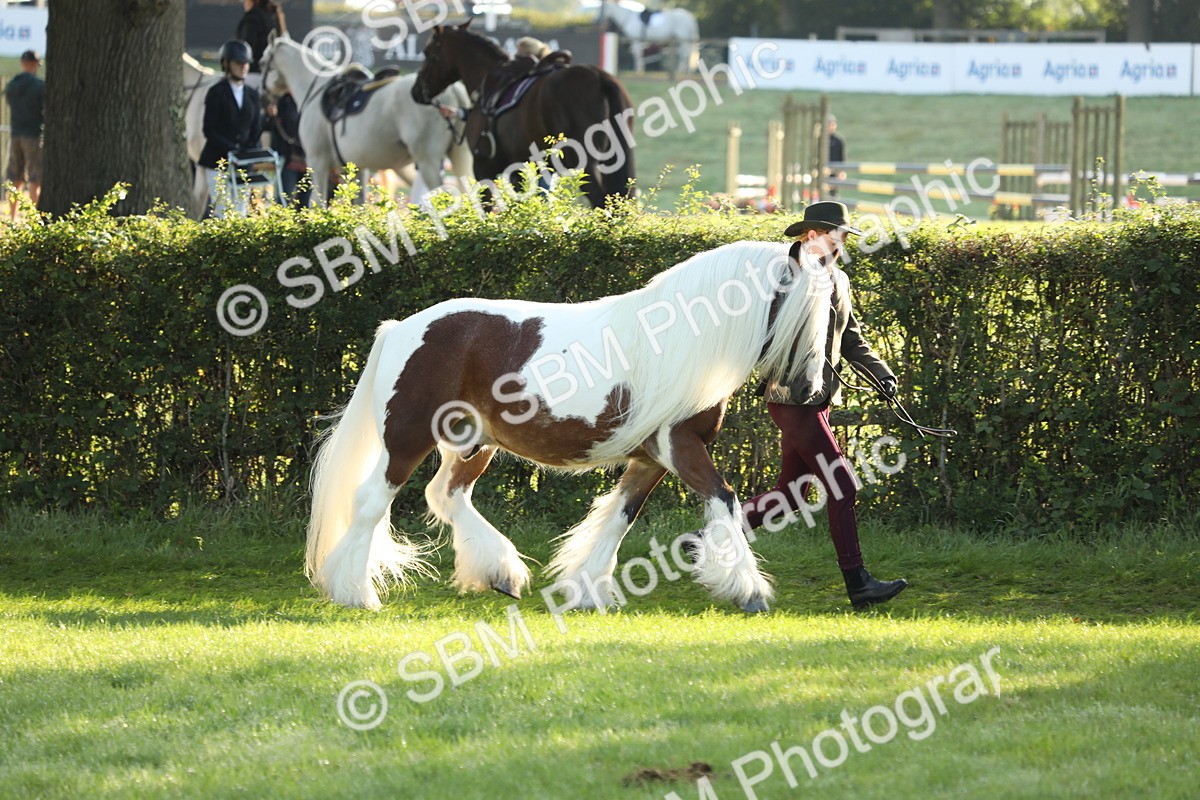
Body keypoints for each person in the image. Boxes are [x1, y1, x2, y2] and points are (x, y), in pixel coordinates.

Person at [742, 202, 908, 608]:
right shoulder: (782, 276)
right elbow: (757, 336)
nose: (842, 241)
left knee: (792, 493)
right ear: (810, 235)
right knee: (842, 484)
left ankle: (709, 537)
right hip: (791, 398)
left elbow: (851, 338)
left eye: (844, 235)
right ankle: (858, 583)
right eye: (836, 234)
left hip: (822, 400)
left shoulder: (840, 279)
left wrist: (881, 373)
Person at [199, 40, 263, 218]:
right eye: (238, 63)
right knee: (222, 211)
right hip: (217, 161)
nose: (243, 67)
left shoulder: (252, 94)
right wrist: (231, 151)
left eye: (246, 63)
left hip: (243, 164)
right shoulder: (216, 92)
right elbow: (209, 130)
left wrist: (249, 152)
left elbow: (256, 128)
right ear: (226, 64)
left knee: (241, 211)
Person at [5, 50, 45, 219]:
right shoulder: (39, 86)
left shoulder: (12, 85)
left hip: (15, 135)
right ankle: (34, 218)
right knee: (35, 178)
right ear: (36, 64)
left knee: (15, 178)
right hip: (33, 135)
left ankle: (13, 217)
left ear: (22, 63)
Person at [265, 90, 310, 208]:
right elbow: (269, 126)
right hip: (288, 158)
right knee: (283, 199)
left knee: (305, 204)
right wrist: (271, 116)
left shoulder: (309, 98)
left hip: (308, 159)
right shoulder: (282, 100)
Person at [236, 0, 287, 89]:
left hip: (252, 75)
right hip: (273, 76)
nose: (244, 2)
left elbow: (247, 50)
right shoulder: (275, 14)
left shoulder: (252, 18)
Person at [826, 115, 845, 198]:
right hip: (823, 170)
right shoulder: (820, 139)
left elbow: (841, 157)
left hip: (835, 171)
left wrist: (842, 171)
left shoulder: (838, 140)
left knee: (833, 193)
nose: (831, 127)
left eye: (833, 125)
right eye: (829, 125)